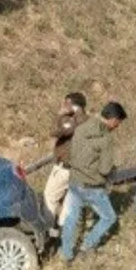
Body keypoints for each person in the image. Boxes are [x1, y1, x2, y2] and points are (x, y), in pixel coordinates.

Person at [60, 102, 128, 263]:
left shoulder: (82, 127)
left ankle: (66, 253)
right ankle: (86, 246)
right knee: (108, 217)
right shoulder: (106, 139)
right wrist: (113, 168)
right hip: (92, 187)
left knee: (71, 219)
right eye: (118, 122)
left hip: (75, 181)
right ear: (113, 120)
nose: (118, 126)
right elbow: (105, 170)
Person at [43, 92, 88, 235]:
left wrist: (60, 115)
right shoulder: (89, 122)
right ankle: (64, 233)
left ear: (73, 106)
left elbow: (56, 132)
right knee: (69, 202)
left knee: (49, 197)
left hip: (65, 169)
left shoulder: (72, 121)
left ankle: (49, 230)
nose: (63, 106)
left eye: (66, 103)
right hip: (81, 170)